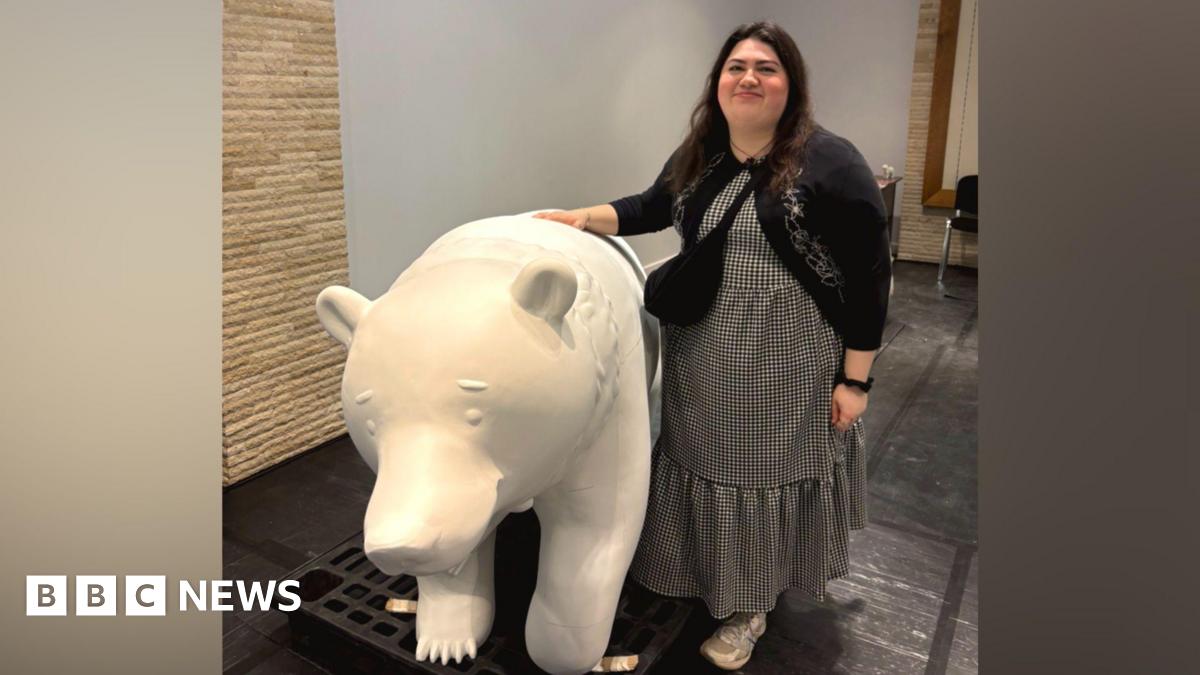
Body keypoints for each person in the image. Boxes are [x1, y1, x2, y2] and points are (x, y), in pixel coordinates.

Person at [533, 21, 890, 671]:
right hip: (702, 343)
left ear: (792, 85)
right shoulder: (704, 151)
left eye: (766, 68)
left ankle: (749, 604)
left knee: (759, 471)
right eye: (736, 66)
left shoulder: (833, 161)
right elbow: (650, 205)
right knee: (699, 457)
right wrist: (583, 217)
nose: (749, 77)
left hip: (787, 352)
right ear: (718, 83)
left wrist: (855, 381)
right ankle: (705, 568)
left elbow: (870, 279)